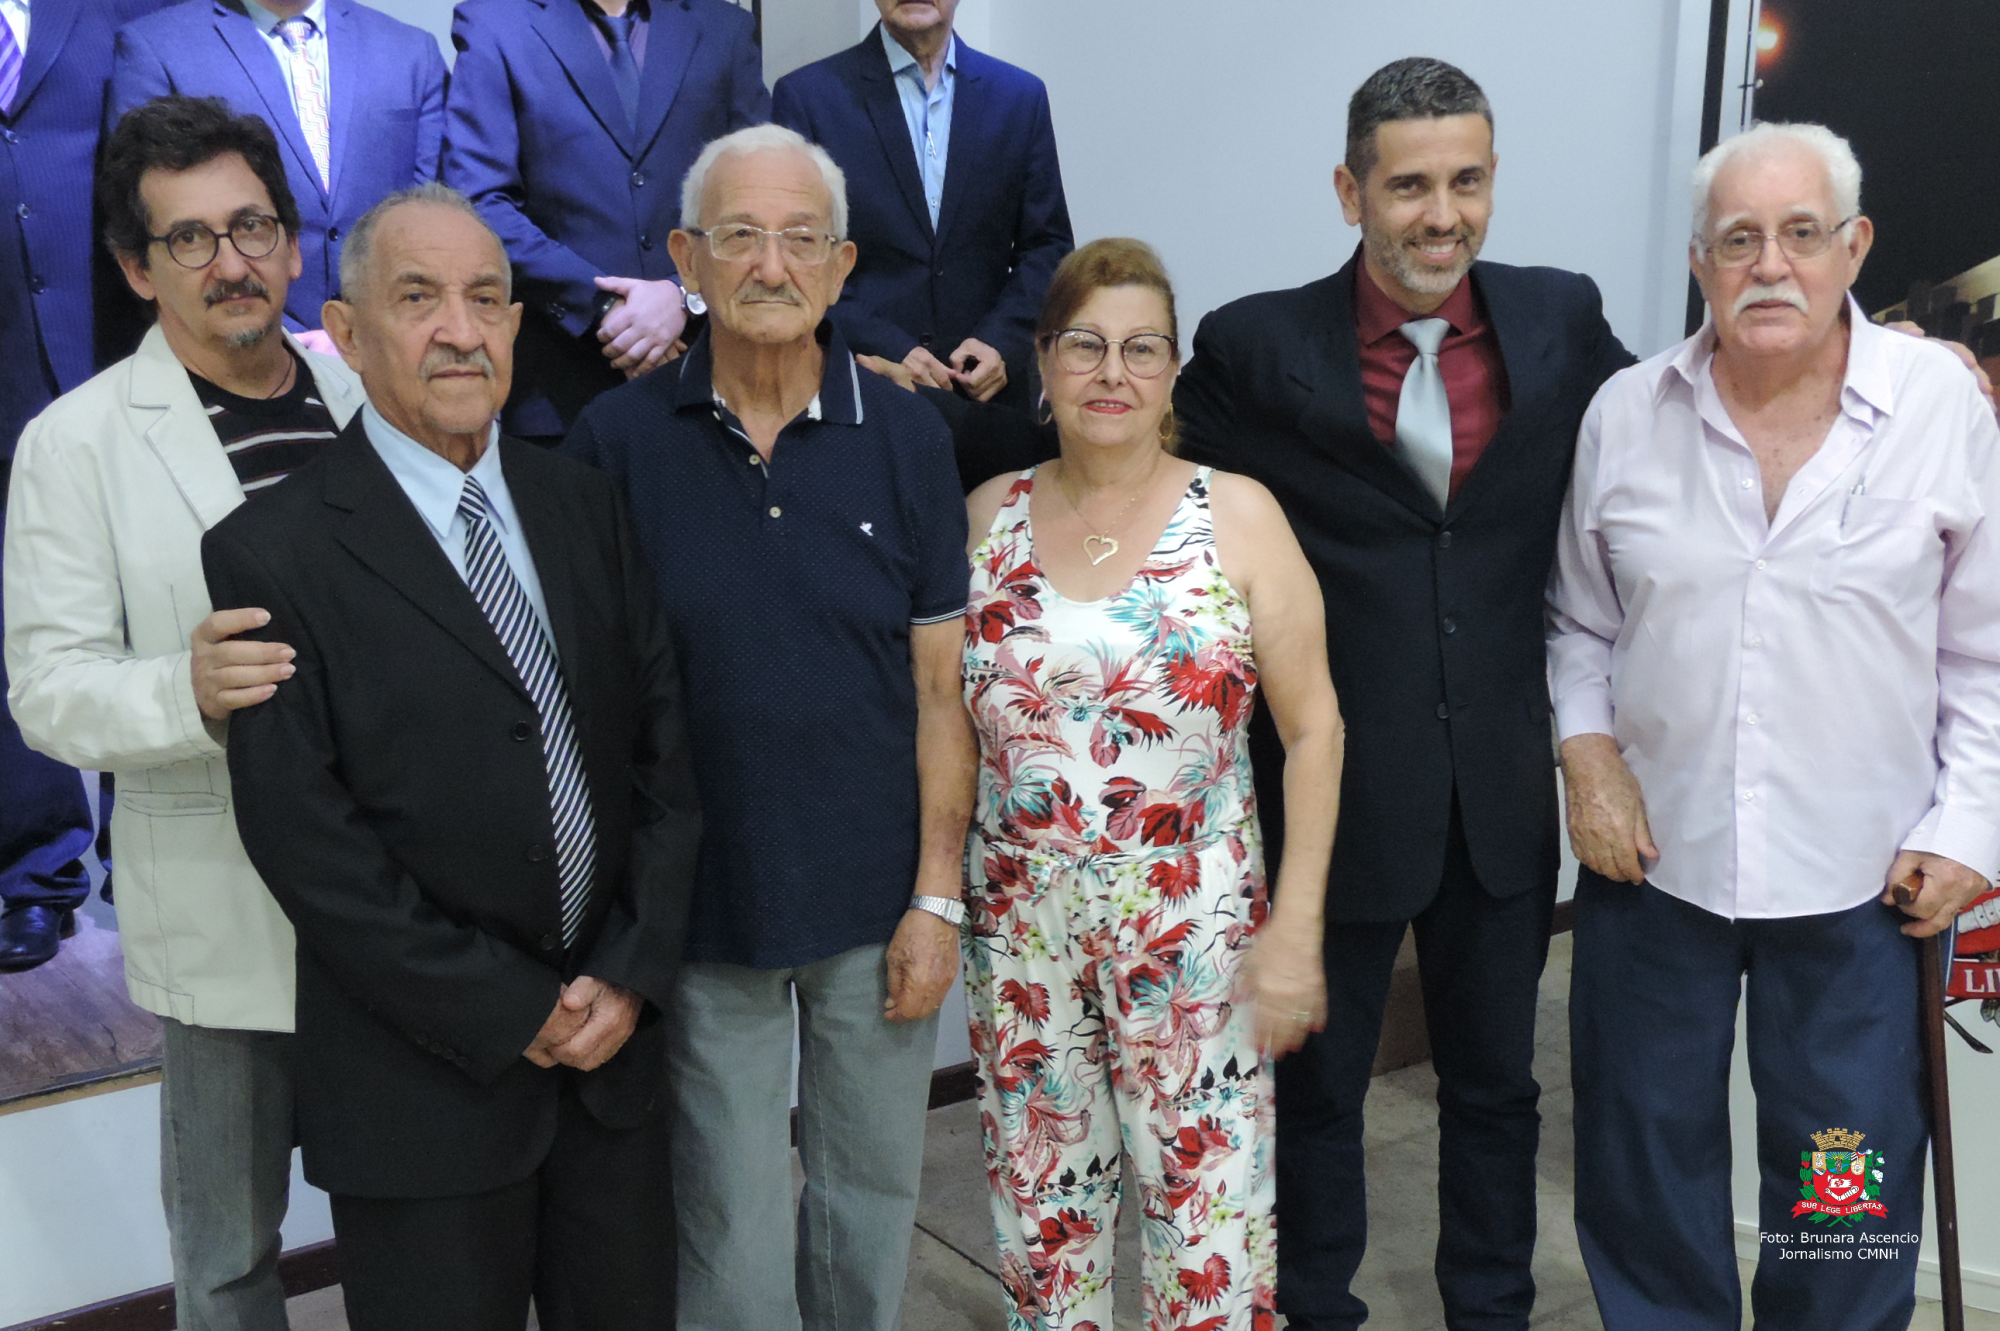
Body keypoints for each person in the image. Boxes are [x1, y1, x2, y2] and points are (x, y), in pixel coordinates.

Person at [1172, 58, 1638, 1330]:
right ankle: (1312, 1308)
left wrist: (1862, 360)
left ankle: (1489, 1309)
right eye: (1409, 186)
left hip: (1496, 792)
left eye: (1466, 181)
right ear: (1350, 191)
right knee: (1315, 1092)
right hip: (1335, 793)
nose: (1442, 214)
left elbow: (1668, 420)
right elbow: (1129, 456)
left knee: (1496, 1091)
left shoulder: (1557, 317)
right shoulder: (1256, 347)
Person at [202, 182, 701, 1331]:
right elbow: (306, 841)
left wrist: (628, 970)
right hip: (420, 1091)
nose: (460, 330)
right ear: (345, 329)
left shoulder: (585, 505)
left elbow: (663, 756)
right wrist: (509, 1005)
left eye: (485, 298)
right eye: (418, 298)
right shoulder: (270, 551)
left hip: (611, 1067)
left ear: (518, 325)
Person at [1550, 122, 2000, 1331]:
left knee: (1841, 1180)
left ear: (1852, 246)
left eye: (1800, 233)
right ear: (1697, 261)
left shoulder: (1937, 408)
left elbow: (1983, 649)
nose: (1769, 264)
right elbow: (1577, 622)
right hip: (1652, 866)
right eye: (1738, 238)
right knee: (1642, 1159)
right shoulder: (1624, 413)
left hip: (1867, 876)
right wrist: (1586, 755)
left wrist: (1966, 826)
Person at [562, 122, 971, 1331]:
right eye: (739, 234)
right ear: (686, 258)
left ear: (842, 267)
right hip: (702, 906)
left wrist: (937, 896)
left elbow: (941, 692)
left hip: (876, 902)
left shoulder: (908, 436)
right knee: (727, 1228)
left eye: (801, 238)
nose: (770, 264)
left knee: (866, 1202)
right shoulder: (615, 443)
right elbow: (589, 706)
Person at [3, 94, 364, 1328]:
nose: (231, 262)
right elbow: (48, 689)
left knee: (416, 1215)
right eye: (190, 238)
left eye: (252, 226)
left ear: (294, 243)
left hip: (403, 895)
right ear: (135, 267)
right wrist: (184, 690)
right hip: (226, 909)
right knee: (225, 1249)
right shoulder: (76, 444)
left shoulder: (364, 397)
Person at [960, 237, 1344, 1329]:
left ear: (1173, 369)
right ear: (1042, 361)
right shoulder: (986, 515)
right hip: (1021, 934)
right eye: (1083, 344)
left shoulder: (1238, 514)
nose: (1111, 372)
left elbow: (1314, 730)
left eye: (1141, 348)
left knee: (1206, 1232)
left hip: (1194, 935)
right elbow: (943, 720)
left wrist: (1296, 927)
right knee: (1044, 1234)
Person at [0, 0, 171, 972]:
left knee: (143, 610)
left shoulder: (126, 8)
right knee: (9, 628)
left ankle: (143, 857)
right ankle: (36, 872)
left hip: (112, 350)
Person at [445, 0, 769, 444]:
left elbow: (760, 193)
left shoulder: (724, 27)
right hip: (559, 386)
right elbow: (479, 202)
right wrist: (603, 306)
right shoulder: (495, 23)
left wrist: (683, 294)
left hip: (710, 371)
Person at [772, 0, 1072, 410]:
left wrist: (999, 342)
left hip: (988, 397)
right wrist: (890, 347)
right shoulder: (808, 97)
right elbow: (797, 253)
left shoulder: (1019, 97)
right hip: (861, 385)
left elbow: (1048, 247)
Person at [109, 0, 447, 355]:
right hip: (239, 348)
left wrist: (375, 329)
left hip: (391, 346)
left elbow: (428, 215)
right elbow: (149, 217)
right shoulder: (156, 47)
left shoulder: (411, 50)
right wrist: (283, 339)